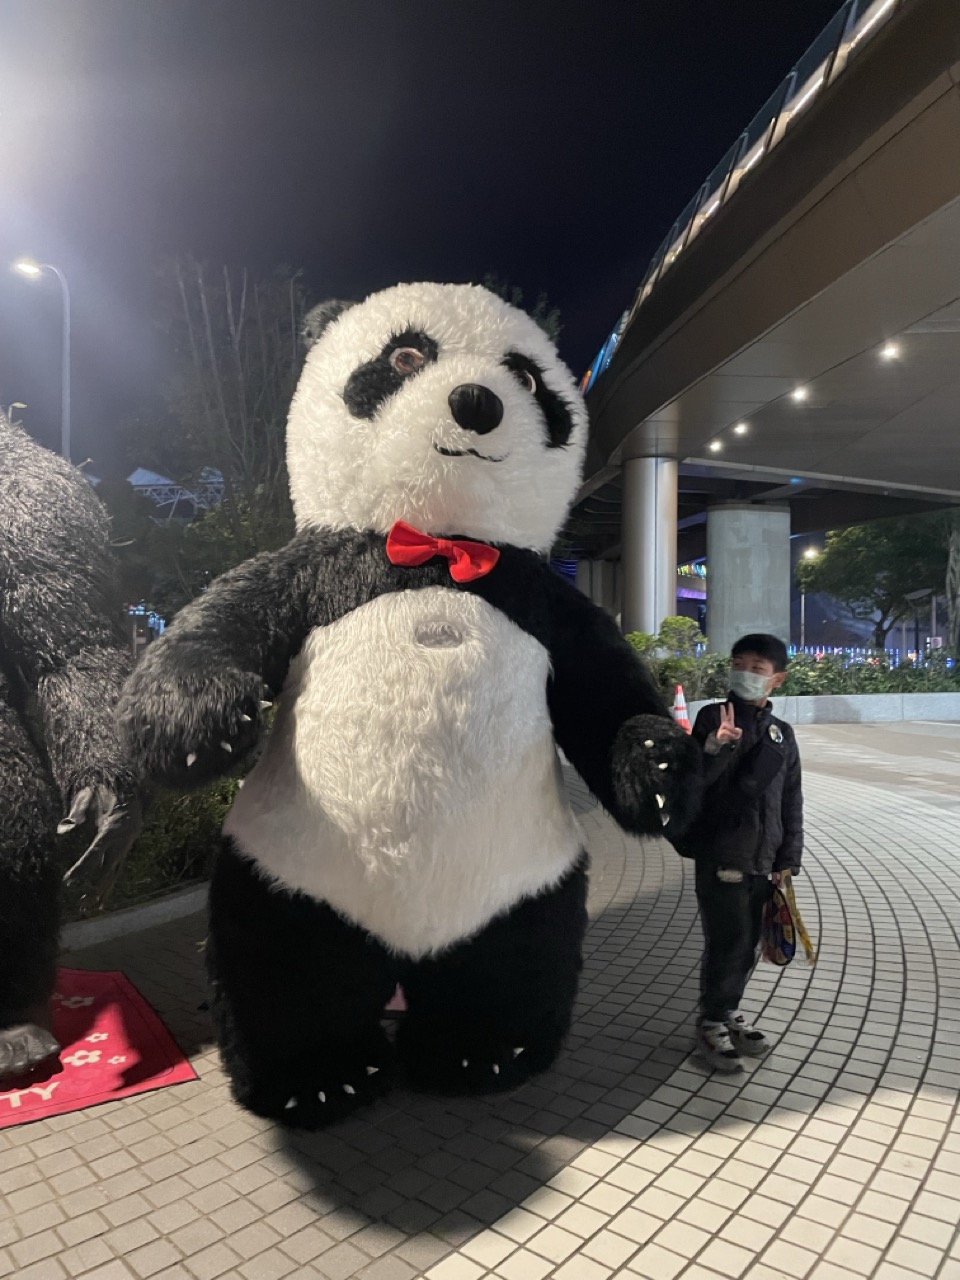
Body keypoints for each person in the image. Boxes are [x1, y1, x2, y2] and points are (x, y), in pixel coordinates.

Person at [672, 633, 803, 1072]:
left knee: (746, 945)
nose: (745, 673)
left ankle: (726, 1012)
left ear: (777, 679)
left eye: (757, 668)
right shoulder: (714, 717)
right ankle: (711, 1022)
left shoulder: (781, 734)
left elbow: (791, 799)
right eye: (739, 664)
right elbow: (696, 785)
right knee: (727, 942)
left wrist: (788, 859)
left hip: (763, 861)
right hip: (722, 853)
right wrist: (718, 746)